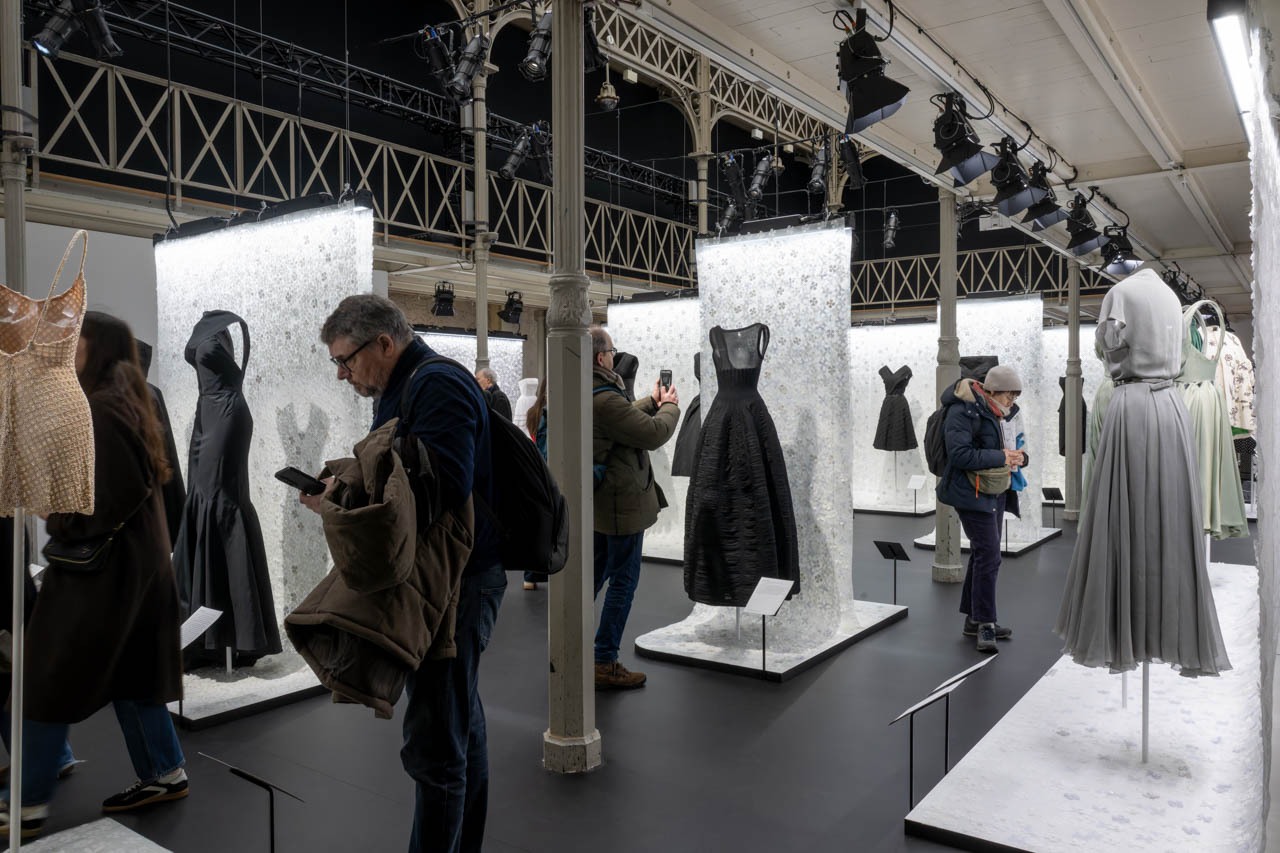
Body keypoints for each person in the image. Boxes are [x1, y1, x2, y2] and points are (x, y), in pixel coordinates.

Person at [305, 295, 503, 853]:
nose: (342, 375)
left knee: (436, 746)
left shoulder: (437, 385)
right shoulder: (408, 387)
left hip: (457, 584)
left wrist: (345, 498)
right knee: (457, 726)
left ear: (384, 343)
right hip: (445, 580)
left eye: (345, 360)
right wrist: (343, 487)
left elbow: (439, 490)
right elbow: (406, 475)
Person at [3, 312, 187, 841]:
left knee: (46, 678)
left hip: (101, 572)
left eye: (74, 341)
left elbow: (99, 501)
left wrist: (54, 513)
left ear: (97, 347)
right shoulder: (128, 400)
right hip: (131, 565)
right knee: (134, 672)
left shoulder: (102, 409)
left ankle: (25, 802)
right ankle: (164, 772)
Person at [590, 325, 679, 689]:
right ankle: (603, 660)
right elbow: (652, 434)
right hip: (620, 506)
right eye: (612, 351)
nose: (615, 356)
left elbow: (622, 419)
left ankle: (571, 647)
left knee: (592, 578)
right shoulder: (604, 398)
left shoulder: (587, 390)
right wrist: (670, 407)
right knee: (623, 583)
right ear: (601, 357)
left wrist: (651, 402)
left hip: (602, 504)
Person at [935, 364, 1029, 654]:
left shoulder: (999, 412)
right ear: (992, 391)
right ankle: (986, 622)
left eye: (1015, 396)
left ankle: (974, 620)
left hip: (994, 489)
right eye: (1008, 395)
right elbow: (960, 455)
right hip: (971, 492)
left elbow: (1011, 446)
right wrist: (1002, 456)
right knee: (989, 556)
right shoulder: (963, 410)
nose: (1011, 401)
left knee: (982, 554)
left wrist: (1020, 458)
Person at [522, 380, 549, 591]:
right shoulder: (548, 413)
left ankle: (530, 575)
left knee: (538, 524)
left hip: (536, 469)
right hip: (548, 470)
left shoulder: (533, 411)